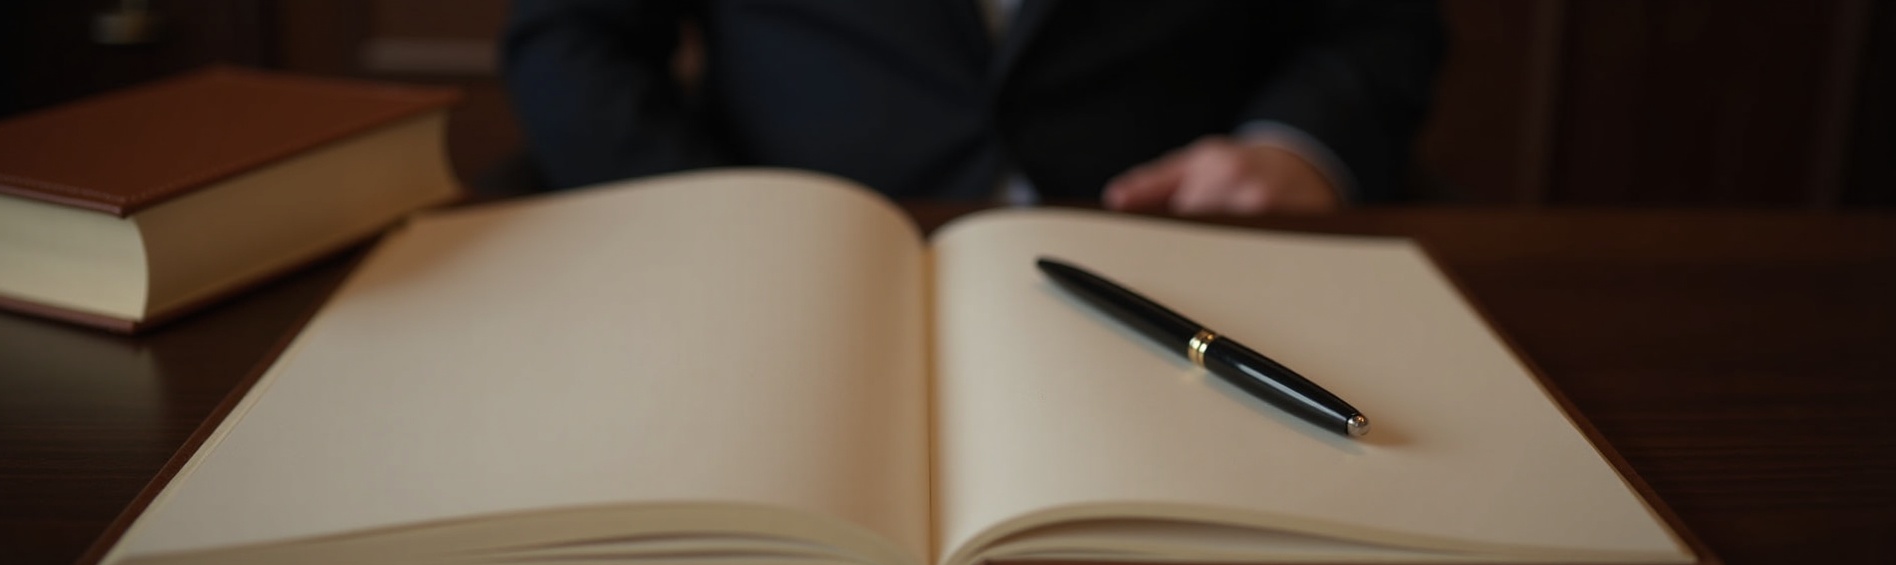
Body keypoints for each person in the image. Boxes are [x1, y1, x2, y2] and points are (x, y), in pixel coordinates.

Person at [503, 1, 1445, 214]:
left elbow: (1375, 22)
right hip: (786, 269)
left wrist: (1301, 146)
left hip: (1181, 252)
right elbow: (570, 32)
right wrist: (709, 219)